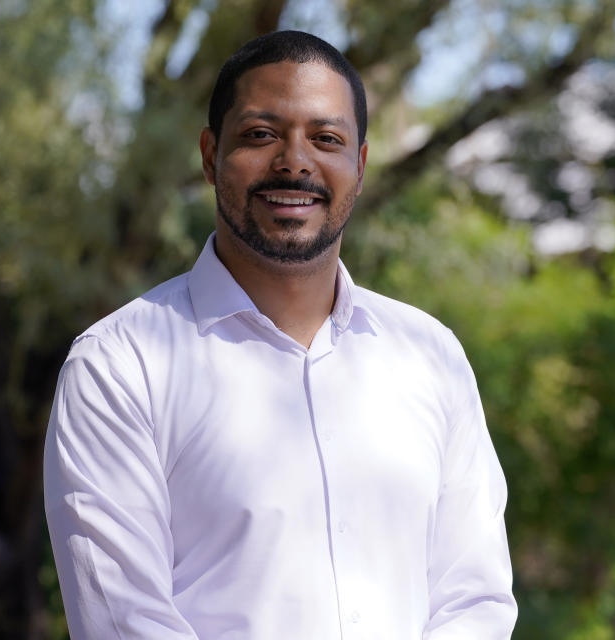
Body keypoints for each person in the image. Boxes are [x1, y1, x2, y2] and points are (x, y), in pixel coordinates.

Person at [44, 30, 517, 639]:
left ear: (361, 166)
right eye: (262, 135)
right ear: (211, 156)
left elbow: (474, 599)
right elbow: (124, 622)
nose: (295, 162)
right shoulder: (118, 365)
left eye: (326, 139)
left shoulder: (430, 356)